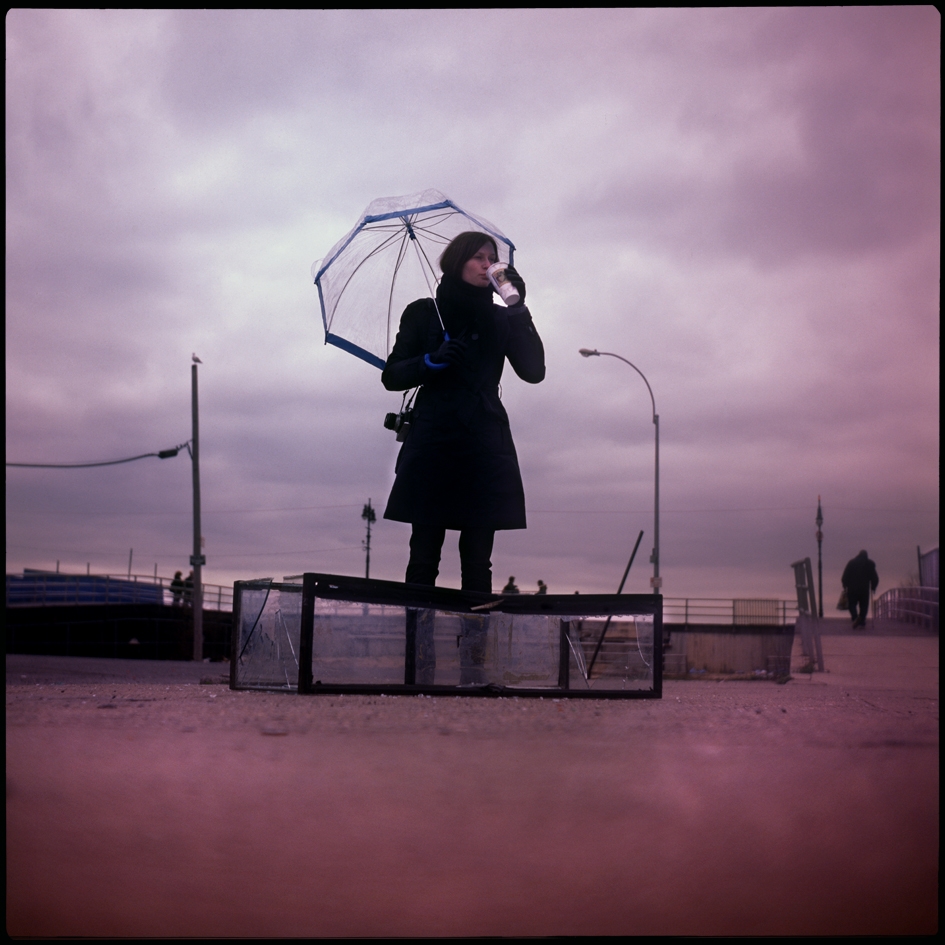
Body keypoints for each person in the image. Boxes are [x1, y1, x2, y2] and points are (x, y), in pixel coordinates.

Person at [382, 231, 545, 593]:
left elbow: (534, 371)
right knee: (423, 555)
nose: (488, 265)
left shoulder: (502, 319)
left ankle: (476, 649)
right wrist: (429, 361)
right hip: (434, 436)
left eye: (492, 259)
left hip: (483, 437)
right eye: (479, 258)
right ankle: (418, 647)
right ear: (457, 262)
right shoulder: (425, 312)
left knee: (477, 562)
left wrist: (518, 309)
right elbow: (391, 375)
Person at [841, 550, 879, 629]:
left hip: (852, 588)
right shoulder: (870, 564)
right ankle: (861, 620)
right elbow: (875, 578)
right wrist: (873, 587)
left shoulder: (851, 563)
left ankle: (855, 618)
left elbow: (845, 575)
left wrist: (845, 585)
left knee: (852, 604)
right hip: (864, 589)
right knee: (864, 605)